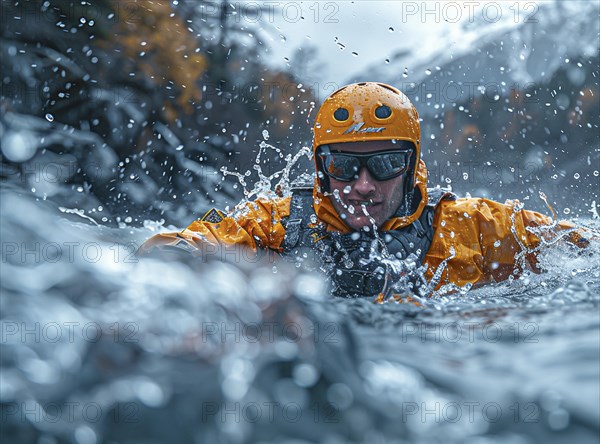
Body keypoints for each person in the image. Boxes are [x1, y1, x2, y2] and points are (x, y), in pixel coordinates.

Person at [139, 82, 589, 298]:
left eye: (387, 164)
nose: (362, 186)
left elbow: (583, 249)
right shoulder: (277, 225)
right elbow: (171, 251)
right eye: (342, 166)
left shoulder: (473, 226)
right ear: (320, 168)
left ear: (412, 166)